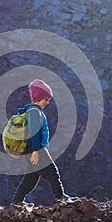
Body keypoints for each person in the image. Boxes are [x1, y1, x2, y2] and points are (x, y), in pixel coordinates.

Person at [12, 79, 78, 208]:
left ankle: (17, 201)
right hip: (36, 149)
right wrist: (36, 151)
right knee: (52, 172)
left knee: (31, 178)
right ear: (38, 98)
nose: (47, 102)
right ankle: (61, 197)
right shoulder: (34, 112)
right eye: (46, 99)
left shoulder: (31, 111)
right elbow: (34, 133)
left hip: (30, 149)